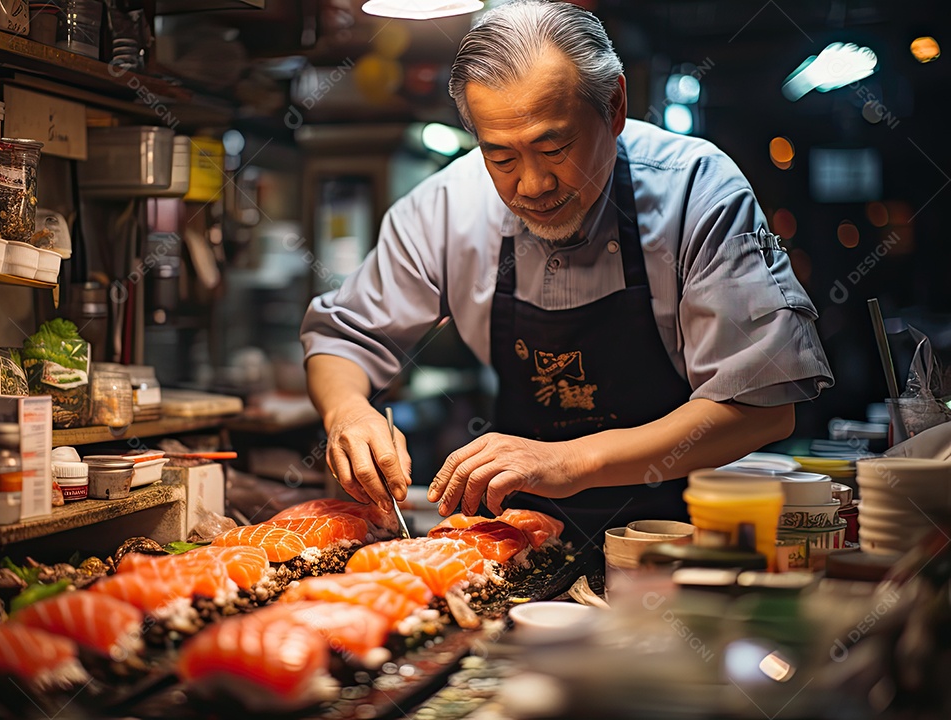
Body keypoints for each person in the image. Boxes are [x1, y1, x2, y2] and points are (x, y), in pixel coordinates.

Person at [300, 0, 832, 565]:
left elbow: (764, 404)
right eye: (500, 156)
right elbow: (344, 335)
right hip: (520, 547)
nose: (531, 184)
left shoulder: (696, 192)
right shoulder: (447, 206)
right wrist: (347, 413)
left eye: (554, 148)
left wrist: (571, 461)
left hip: (681, 539)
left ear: (615, 106)